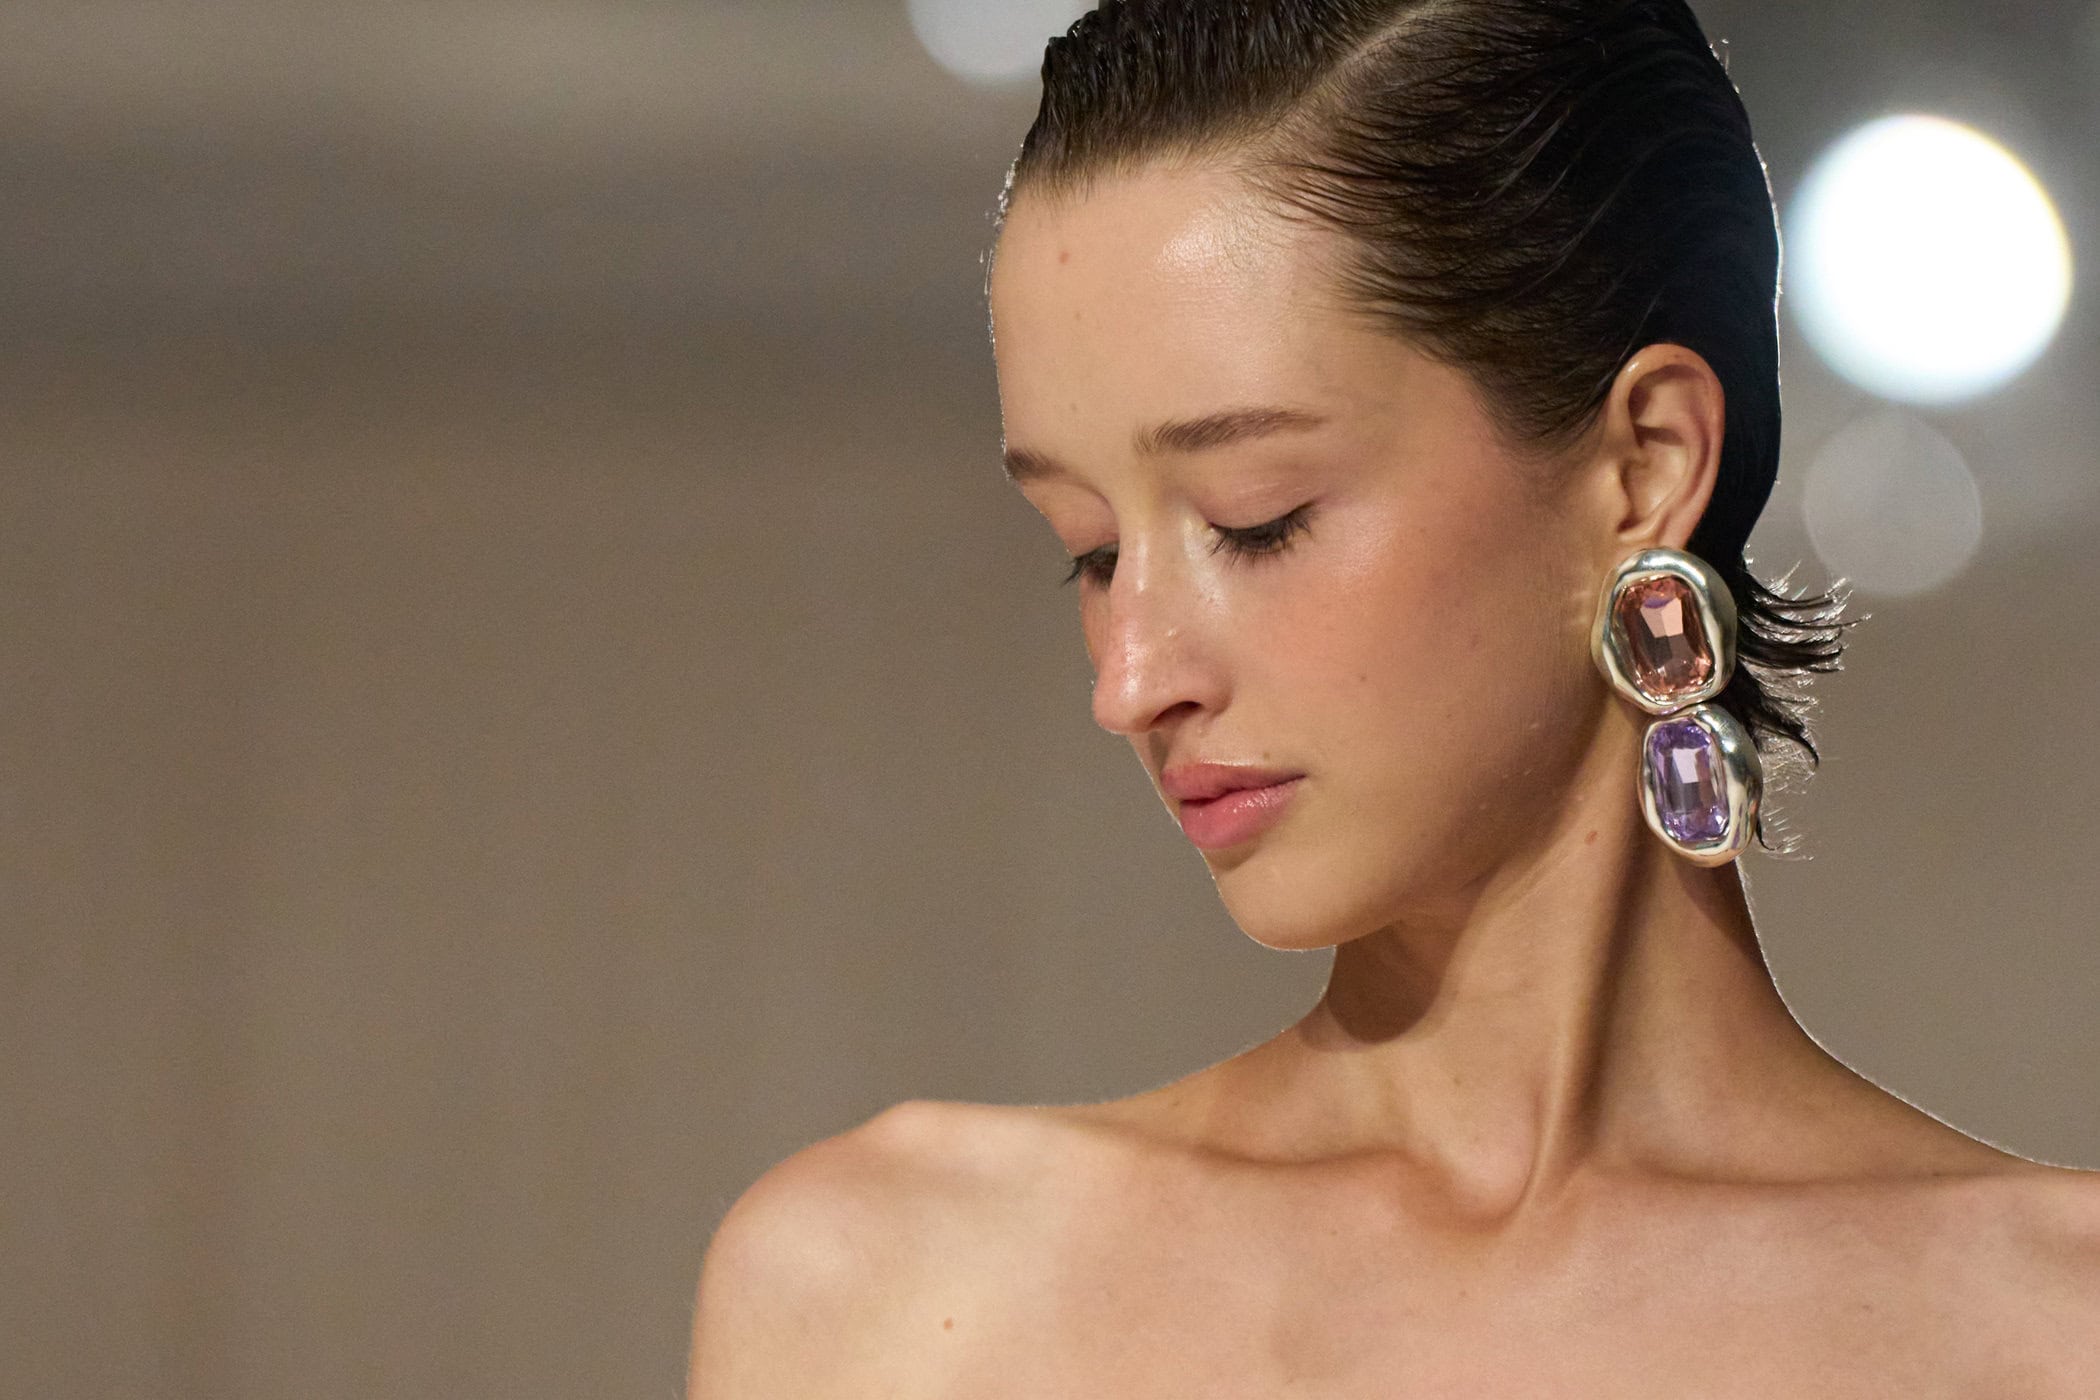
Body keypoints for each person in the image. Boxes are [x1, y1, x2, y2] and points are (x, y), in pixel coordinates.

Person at [688, 1, 2100, 1391]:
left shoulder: (2051, 1330)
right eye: (1092, 551)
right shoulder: (891, 1299)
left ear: (1645, 467)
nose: (1131, 680)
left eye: (1259, 519)